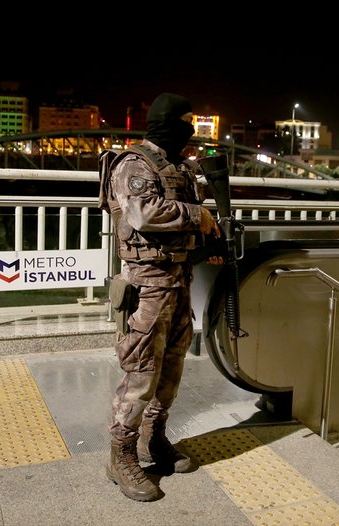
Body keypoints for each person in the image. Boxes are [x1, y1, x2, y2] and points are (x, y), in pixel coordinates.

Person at [102, 92, 222, 501]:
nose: (189, 130)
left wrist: (211, 229)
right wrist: (198, 216)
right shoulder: (134, 164)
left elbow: (188, 214)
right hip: (148, 282)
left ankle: (153, 439)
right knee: (141, 372)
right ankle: (120, 455)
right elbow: (143, 214)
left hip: (179, 278)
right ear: (166, 123)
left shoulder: (180, 167)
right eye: (185, 122)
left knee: (171, 368)